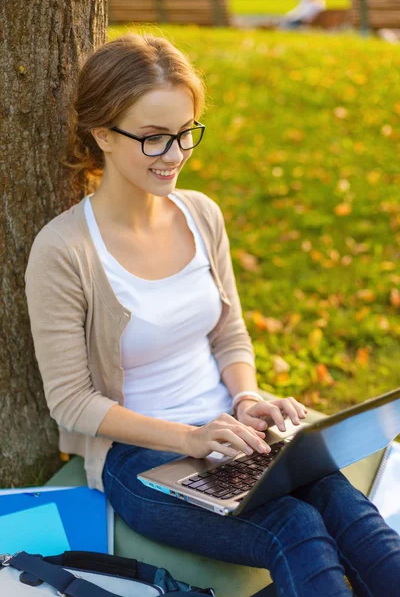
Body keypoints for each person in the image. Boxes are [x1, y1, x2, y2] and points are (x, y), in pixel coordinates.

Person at [24, 32, 400, 597]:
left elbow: (228, 332)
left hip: (236, 433)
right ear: (102, 134)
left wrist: (247, 399)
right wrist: (191, 439)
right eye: (153, 139)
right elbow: (72, 402)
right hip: (143, 460)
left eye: (184, 134)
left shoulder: (200, 214)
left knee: (349, 513)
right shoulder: (64, 250)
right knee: (294, 528)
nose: (175, 155)